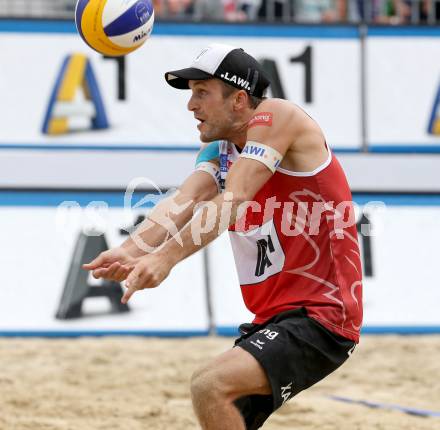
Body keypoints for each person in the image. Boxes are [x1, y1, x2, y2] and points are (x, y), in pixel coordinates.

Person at [83, 44, 363, 430]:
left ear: (239, 99)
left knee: (211, 386)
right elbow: (185, 199)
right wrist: (131, 249)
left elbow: (234, 197)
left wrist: (163, 259)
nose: (190, 105)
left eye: (202, 92)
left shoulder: (277, 117)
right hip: (272, 316)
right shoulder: (218, 147)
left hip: (322, 312)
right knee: (223, 409)